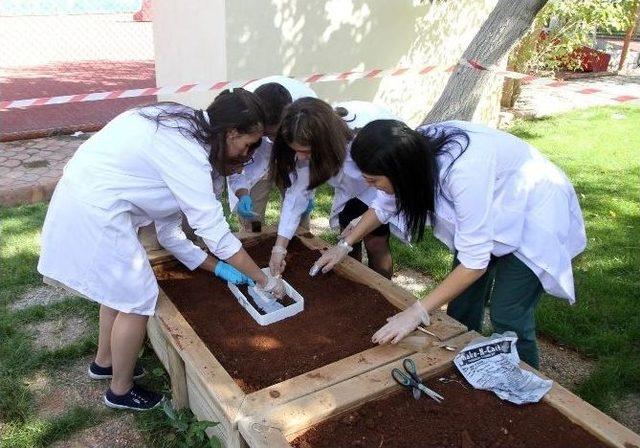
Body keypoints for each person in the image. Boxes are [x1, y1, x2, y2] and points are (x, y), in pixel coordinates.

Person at [38, 89, 285, 411]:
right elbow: (214, 233)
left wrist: (219, 268)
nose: (247, 154)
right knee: (137, 298)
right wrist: (263, 280)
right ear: (231, 132)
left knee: (117, 290)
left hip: (93, 200)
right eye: (248, 144)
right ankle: (120, 390)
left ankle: (105, 363)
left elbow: (169, 233)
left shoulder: (185, 128)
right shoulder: (186, 151)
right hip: (95, 209)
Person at [312, 119, 586, 368]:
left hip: (534, 215)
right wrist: (344, 245)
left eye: (373, 180)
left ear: (398, 171)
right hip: (490, 209)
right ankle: (462, 356)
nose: (370, 186)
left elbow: (474, 263)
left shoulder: (464, 173)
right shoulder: (409, 153)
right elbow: (384, 204)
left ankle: (525, 377)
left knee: (507, 313)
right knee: (462, 301)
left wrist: (416, 312)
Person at [268, 98, 406, 279]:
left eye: (307, 152)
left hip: (380, 187)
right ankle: (354, 281)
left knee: (376, 242)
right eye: (296, 150)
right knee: (347, 236)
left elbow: (389, 197)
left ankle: (383, 285)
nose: (300, 158)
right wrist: (279, 247)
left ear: (325, 144)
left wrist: (364, 218)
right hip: (349, 191)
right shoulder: (307, 144)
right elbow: (297, 195)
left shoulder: (363, 144)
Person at [228, 76, 317, 232]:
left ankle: (297, 242)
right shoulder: (242, 120)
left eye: (277, 134)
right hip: (257, 167)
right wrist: (242, 194)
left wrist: (307, 193)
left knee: (299, 214)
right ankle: (254, 243)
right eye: (267, 134)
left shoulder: (306, 117)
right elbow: (234, 166)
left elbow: (309, 163)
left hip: (291, 162)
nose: (272, 139)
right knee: (252, 219)